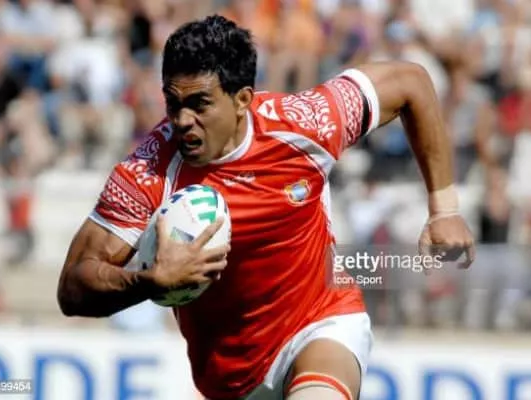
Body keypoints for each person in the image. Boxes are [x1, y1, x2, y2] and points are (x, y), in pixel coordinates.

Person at [57, 15, 475, 400]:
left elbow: (410, 81)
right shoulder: (147, 172)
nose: (182, 120)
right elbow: (73, 287)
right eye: (173, 103)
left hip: (320, 322)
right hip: (230, 380)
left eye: (200, 104)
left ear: (242, 99)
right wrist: (148, 282)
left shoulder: (305, 124)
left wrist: (445, 210)